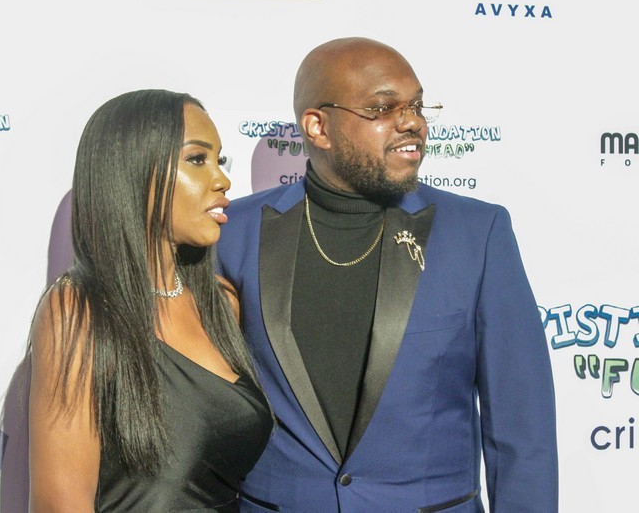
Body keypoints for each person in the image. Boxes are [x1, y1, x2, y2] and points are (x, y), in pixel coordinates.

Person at [217, 37, 558, 512]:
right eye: (382, 109)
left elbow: (522, 426)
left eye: (416, 106)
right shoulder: (231, 234)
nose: (412, 122)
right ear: (318, 126)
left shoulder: (477, 233)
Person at [28, 89, 272, 512]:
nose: (222, 180)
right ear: (134, 171)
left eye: (220, 160)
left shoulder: (221, 304)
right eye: (197, 159)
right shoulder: (79, 311)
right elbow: (60, 505)